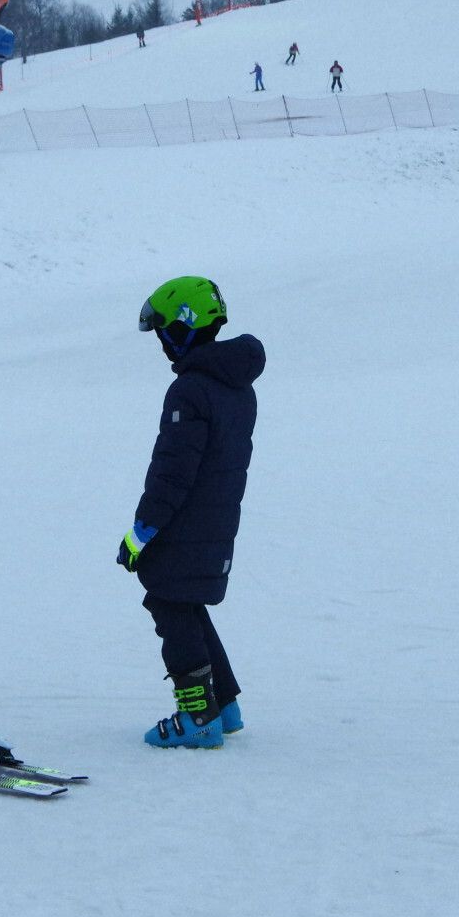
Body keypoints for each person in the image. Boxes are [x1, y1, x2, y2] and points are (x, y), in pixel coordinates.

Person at [117, 277, 266, 748]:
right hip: (214, 523)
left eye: (164, 332)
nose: (162, 343)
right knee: (185, 601)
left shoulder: (190, 391)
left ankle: (199, 716)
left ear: (183, 327)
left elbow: (172, 474)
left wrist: (141, 533)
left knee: (169, 603)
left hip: (186, 523)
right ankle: (224, 704)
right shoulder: (234, 386)